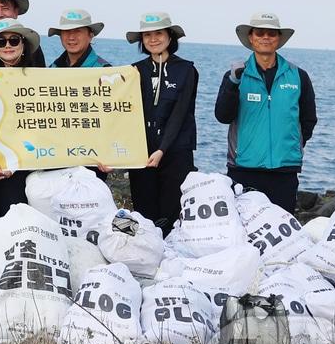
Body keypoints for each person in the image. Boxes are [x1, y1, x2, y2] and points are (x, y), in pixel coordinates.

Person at [215, 12, 317, 215]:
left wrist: (290, 146)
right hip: (243, 169)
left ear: (278, 39)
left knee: (282, 236)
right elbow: (222, 116)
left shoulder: (298, 76)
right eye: (260, 32)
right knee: (244, 233)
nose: (265, 37)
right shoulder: (236, 75)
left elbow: (308, 119)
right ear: (251, 38)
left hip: (284, 171)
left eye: (271, 33)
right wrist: (232, 85)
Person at [124, 13, 197, 231]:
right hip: (142, 151)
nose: (153, 39)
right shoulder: (133, 71)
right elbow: (123, 113)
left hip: (176, 151)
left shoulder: (186, 70)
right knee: (144, 215)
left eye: (159, 33)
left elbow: (180, 113)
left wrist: (162, 149)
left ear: (170, 37)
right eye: (147, 35)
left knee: (171, 215)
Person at [0, 18, 45, 219]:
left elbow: (42, 127)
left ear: (23, 45)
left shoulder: (40, 80)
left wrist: (14, 164)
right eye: (1, 42)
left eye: (14, 40)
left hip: (23, 167)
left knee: (15, 224)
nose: (7, 46)